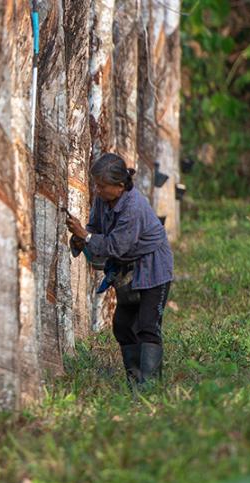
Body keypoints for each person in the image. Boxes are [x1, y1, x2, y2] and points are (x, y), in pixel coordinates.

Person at [66, 153, 174, 387]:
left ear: (120, 186)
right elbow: (94, 228)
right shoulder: (102, 200)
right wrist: (81, 237)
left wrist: (86, 236)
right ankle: (134, 381)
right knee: (123, 326)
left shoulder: (133, 207)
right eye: (96, 184)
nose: (97, 190)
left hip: (153, 267)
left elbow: (116, 246)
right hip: (128, 270)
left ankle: (150, 386)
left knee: (148, 326)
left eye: (102, 186)